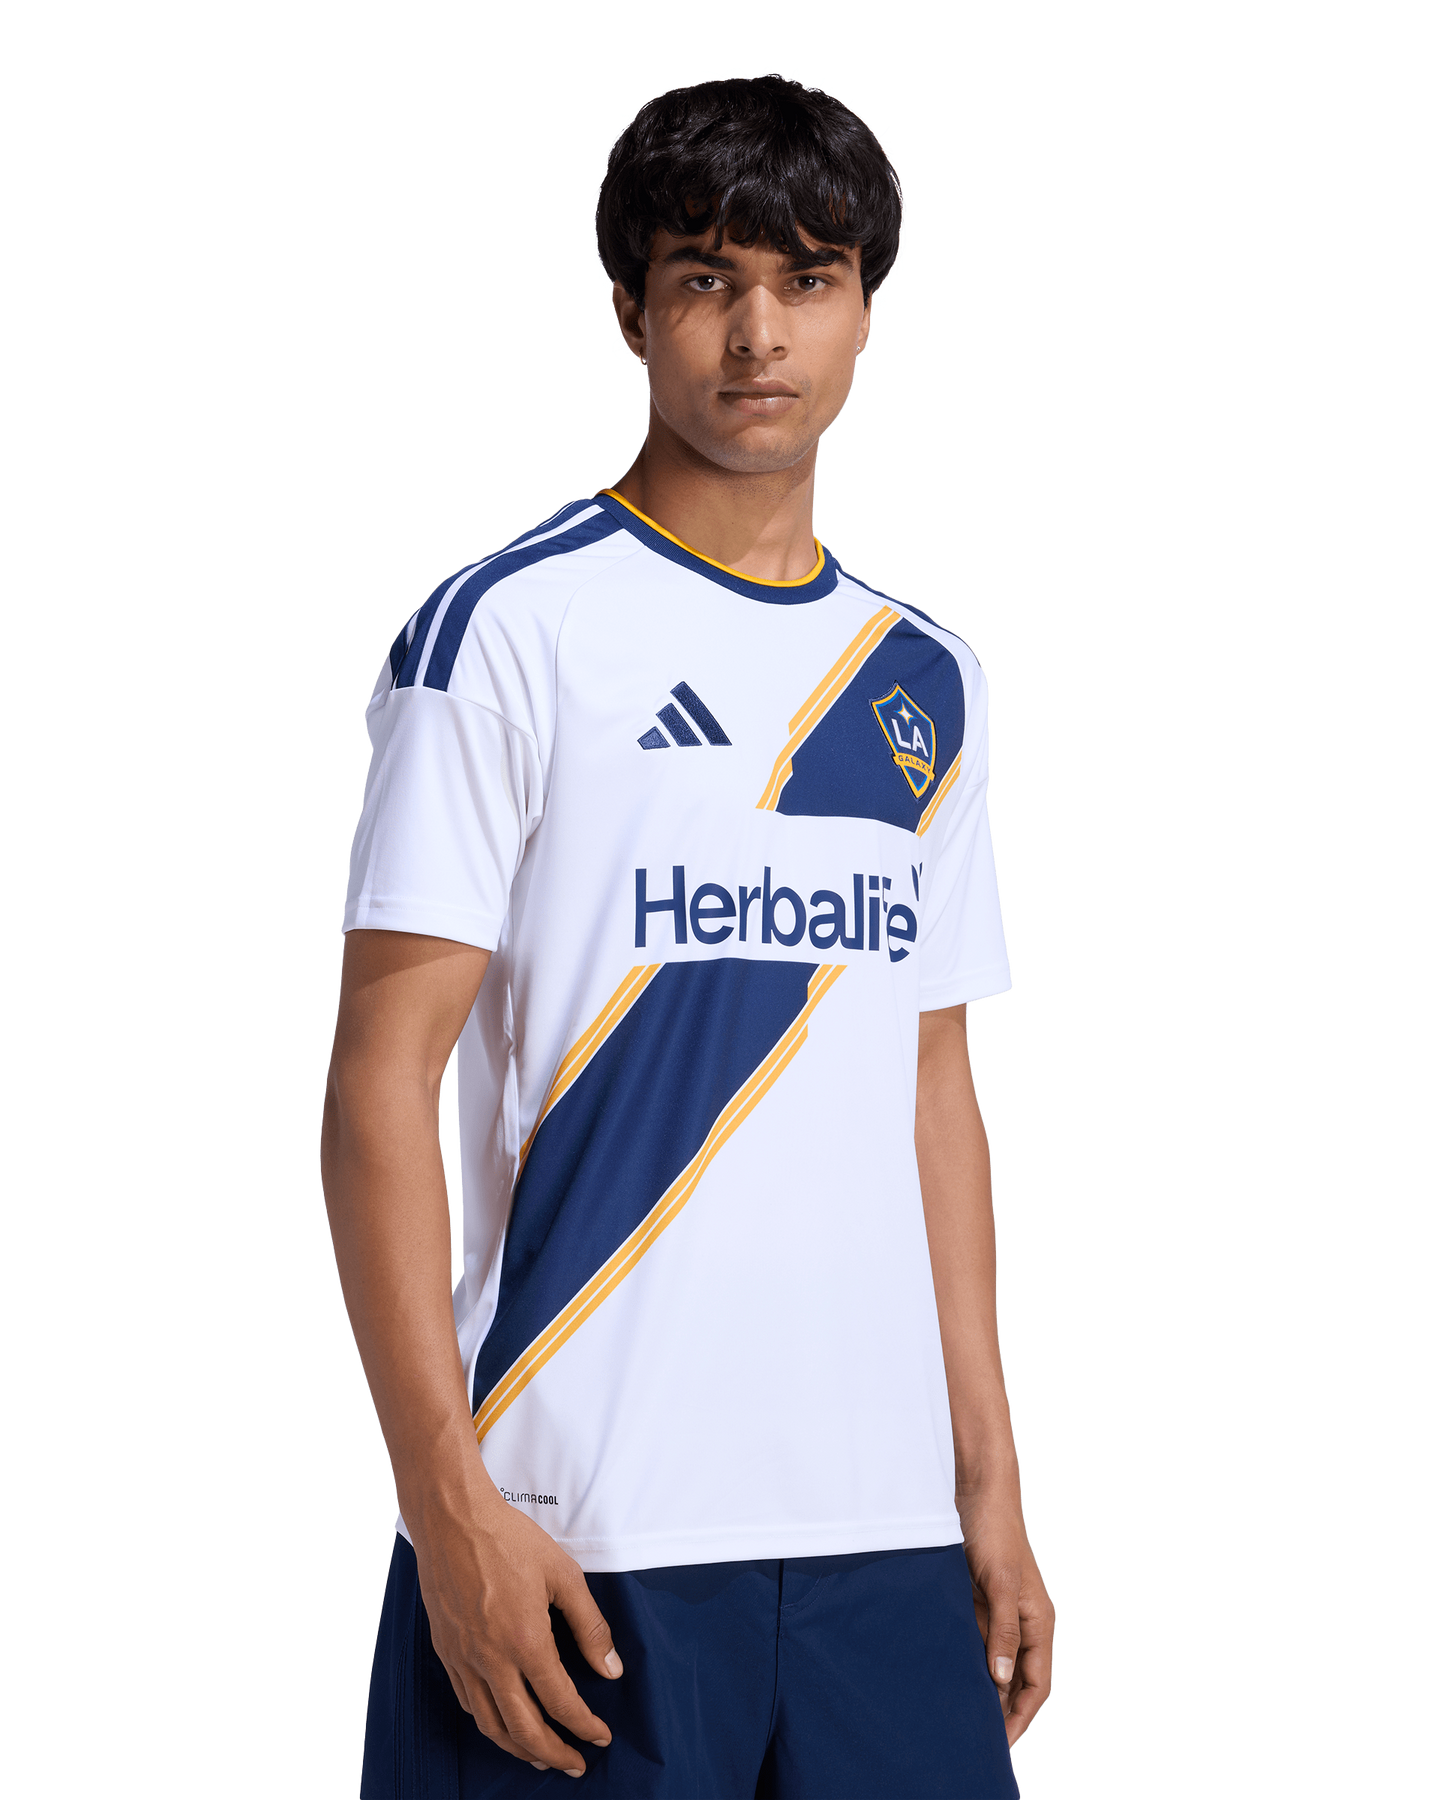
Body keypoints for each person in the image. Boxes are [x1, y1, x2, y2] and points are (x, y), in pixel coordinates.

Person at [321, 68, 1055, 1798]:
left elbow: (932, 1095)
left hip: (883, 1539)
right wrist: (447, 1511)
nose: (758, 334)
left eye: (809, 279)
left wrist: (990, 1484)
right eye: (707, 278)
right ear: (627, 311)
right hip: (580, 1531)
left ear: (868, 306)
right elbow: (376, 1088)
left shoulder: (926, 679)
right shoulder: (509, 632)